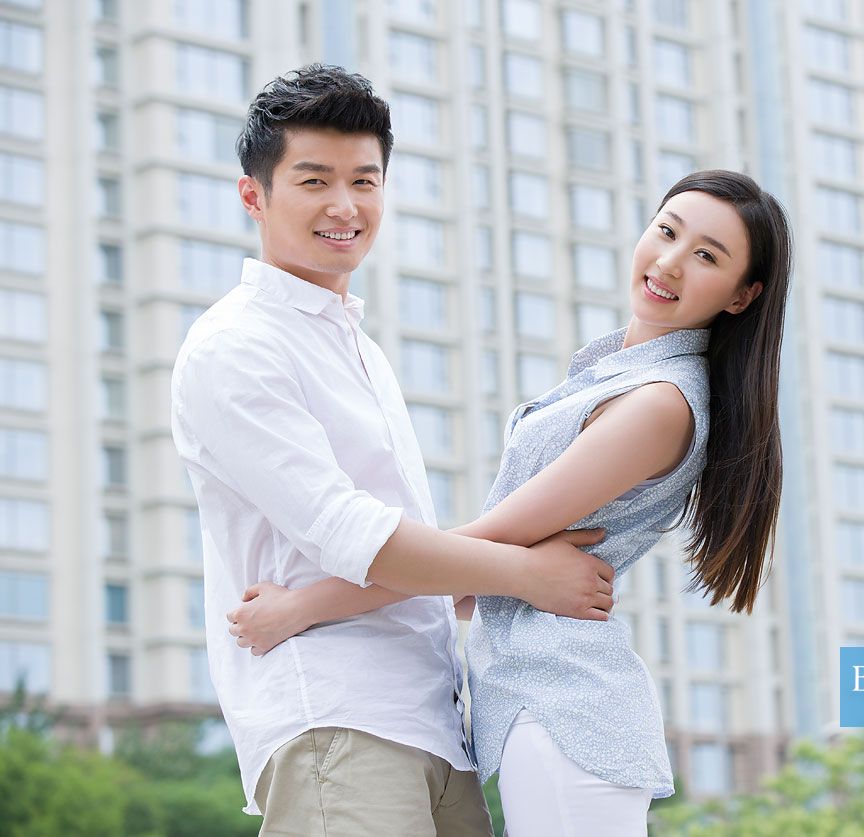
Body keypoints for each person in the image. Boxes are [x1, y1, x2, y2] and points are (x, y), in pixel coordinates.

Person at [234, 168, 792, 835]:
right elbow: (485, 565)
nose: (669, 262)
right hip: (541, 703)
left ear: (741, 295)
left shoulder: (658, 404)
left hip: (565, 708)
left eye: (707, 256)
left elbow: (486, 541)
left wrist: (301, 607)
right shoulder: (618, 375)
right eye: (666, 231)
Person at [170, 64, 616, 837]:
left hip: (435, 722)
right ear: (255, 195)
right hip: (336, 721)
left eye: (364, 180)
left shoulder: (357, 348)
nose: (345, 206)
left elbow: (406, 551)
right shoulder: (235, 346)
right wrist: (526, 572)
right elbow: (358, 538)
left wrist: (471, 575)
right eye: (314, 180)